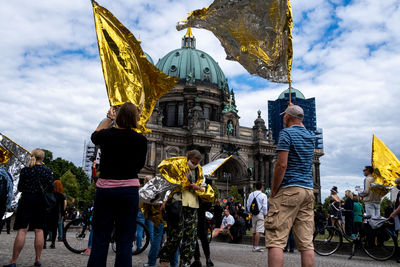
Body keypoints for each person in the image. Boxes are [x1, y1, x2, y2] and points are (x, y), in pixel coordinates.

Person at [87, 103, 148, 267]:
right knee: (125, 240)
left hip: (105, 191)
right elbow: (139, 166)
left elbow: (94, 136)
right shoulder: (141, 140)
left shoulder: (107, 135)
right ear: (135, 118)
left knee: (100, 237)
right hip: (128, 192)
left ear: (118, 117)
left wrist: (108, 118)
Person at [265, 104, 315, 267]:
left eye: (284, 116)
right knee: (307, 244)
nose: (283, 118)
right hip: (308, 191)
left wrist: (274, 190)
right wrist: (295, 110)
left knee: (276, 240)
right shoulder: (310, 136)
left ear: (287, 117)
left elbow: (281, 165)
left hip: (289, 190)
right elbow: (300, 124)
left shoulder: (286, 134)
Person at [158, 150, 213, 267]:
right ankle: (164, 259)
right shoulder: (177, 166)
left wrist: (198, 188)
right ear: (187, 158)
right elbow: (168, 184)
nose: (195, 164)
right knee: (175, 235)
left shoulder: (199, 171)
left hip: (193, 205)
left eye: (197, 163)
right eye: (193, 162)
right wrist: (164, 200)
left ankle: (185, 263)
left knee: (191, 237)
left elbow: (203, 187)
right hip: (178, 204)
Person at [3, 148, 54, 267]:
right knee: (39, 230)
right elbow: (51, 188)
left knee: (22, 230)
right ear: (42, 158)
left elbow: (20, 187)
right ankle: (37, 259)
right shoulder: (47, 171)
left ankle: (13, 261)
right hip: (40, 202)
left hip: (26, 200)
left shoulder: (25, 170)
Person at [44, 180, 67, 248]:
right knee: (54, 229)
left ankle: (44, 243)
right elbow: (62, 207)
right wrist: (62, 215)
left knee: (46, 228)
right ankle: (53, 243)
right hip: (56, 213)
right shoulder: (61, 196)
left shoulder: (49, 194)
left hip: (48, 212)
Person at [246, 182, 268, 252]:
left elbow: (248, 205)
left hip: (253, 214)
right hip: (260, 214)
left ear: (255, 187)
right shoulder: (263, 195)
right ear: (261, 187)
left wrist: (250, 212)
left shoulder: (251, 194)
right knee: (259, 230)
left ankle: (254, 246)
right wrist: (265, 214)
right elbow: (265, 206)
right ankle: (256, 246)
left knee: (254, 231)